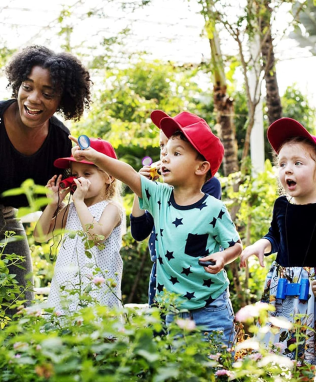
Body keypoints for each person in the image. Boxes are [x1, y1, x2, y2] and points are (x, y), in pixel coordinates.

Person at [70, 111, 242, 347]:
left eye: (176, 153)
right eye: (164, 151)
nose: (164, 157)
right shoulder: (158, 195)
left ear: (201, 167)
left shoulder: (214, 207)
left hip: (211, 308)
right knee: (175, 369)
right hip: (171, 309)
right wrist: (95, 157)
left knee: (215, 369)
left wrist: (223, 256)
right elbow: (128, 174)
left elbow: (236, 246)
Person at [0, 45, 92, 309]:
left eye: (47, 93)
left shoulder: (60, 142)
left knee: (20, 306)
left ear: (62, 100)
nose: (33, 98)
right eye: (27, 87)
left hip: (5, 218)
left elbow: (56, 210)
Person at [240, 117, 316, 364]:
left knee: (308, 357)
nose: (288, 169)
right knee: (277, 354)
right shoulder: (281, 205)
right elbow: (276, 234)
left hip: (313, 291)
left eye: (297, 162)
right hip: (281, 290)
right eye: (282, 163)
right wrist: (262, 244)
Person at [130, 110, 222, 306]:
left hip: (194, 277)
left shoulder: (210, 186)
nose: (164, 153)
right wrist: (141, 188)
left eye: (174, 150)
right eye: (162, 146)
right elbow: (139, 232)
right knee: (160, 333)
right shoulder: (159, 189)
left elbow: (195, 229)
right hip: (162, 273)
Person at [34, 138, 123, 313]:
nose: (78, 179)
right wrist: (52, 204)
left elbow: (96, 236)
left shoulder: (112, 209)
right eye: (75, 174)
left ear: (109, 177)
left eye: (87, 174)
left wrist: (79, 202)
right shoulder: (73, 208)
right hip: (66, 292)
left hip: (96, 294)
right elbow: (40, 235)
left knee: (97, 337)